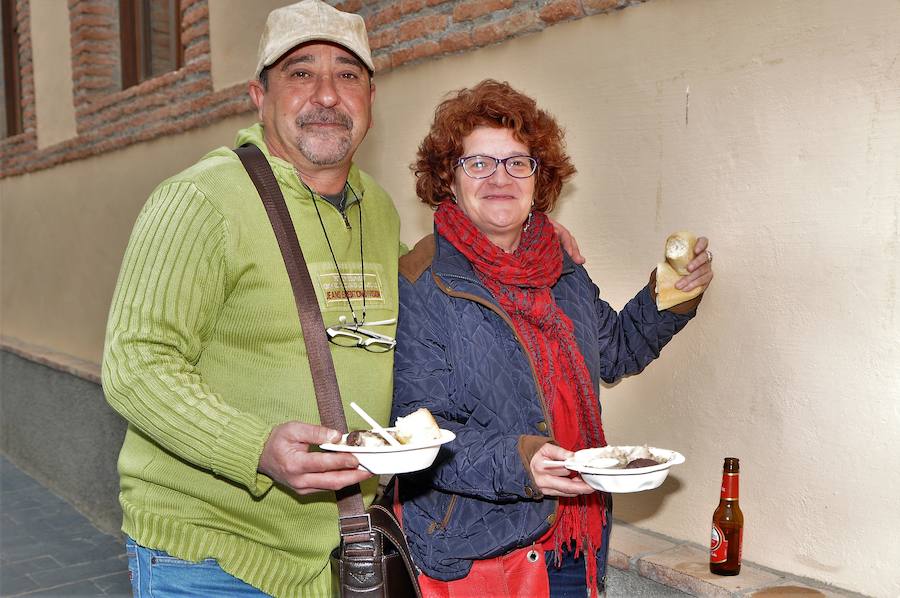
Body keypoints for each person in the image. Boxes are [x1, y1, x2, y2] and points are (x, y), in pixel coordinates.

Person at [102, 3, 584, 597]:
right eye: (301, 73)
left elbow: (444, 278)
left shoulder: (376, 210)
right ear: (259, 94)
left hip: (338, 554)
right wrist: (254, 448)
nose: (327, 94)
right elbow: (135, 365)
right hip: (211, 555)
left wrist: (527, 235)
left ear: (371, 100)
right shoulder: (200, 200)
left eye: (347, 74)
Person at [391, 79, 714, 598]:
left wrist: (672, 295)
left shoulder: (561, 268)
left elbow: (615, 350)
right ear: (448, 178)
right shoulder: (422, 282)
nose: (500, 177)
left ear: (539, 179)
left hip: (577, 536)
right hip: (482, 550)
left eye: (517, 162)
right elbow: (416, 433)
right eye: (479, 163)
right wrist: (520, 462)